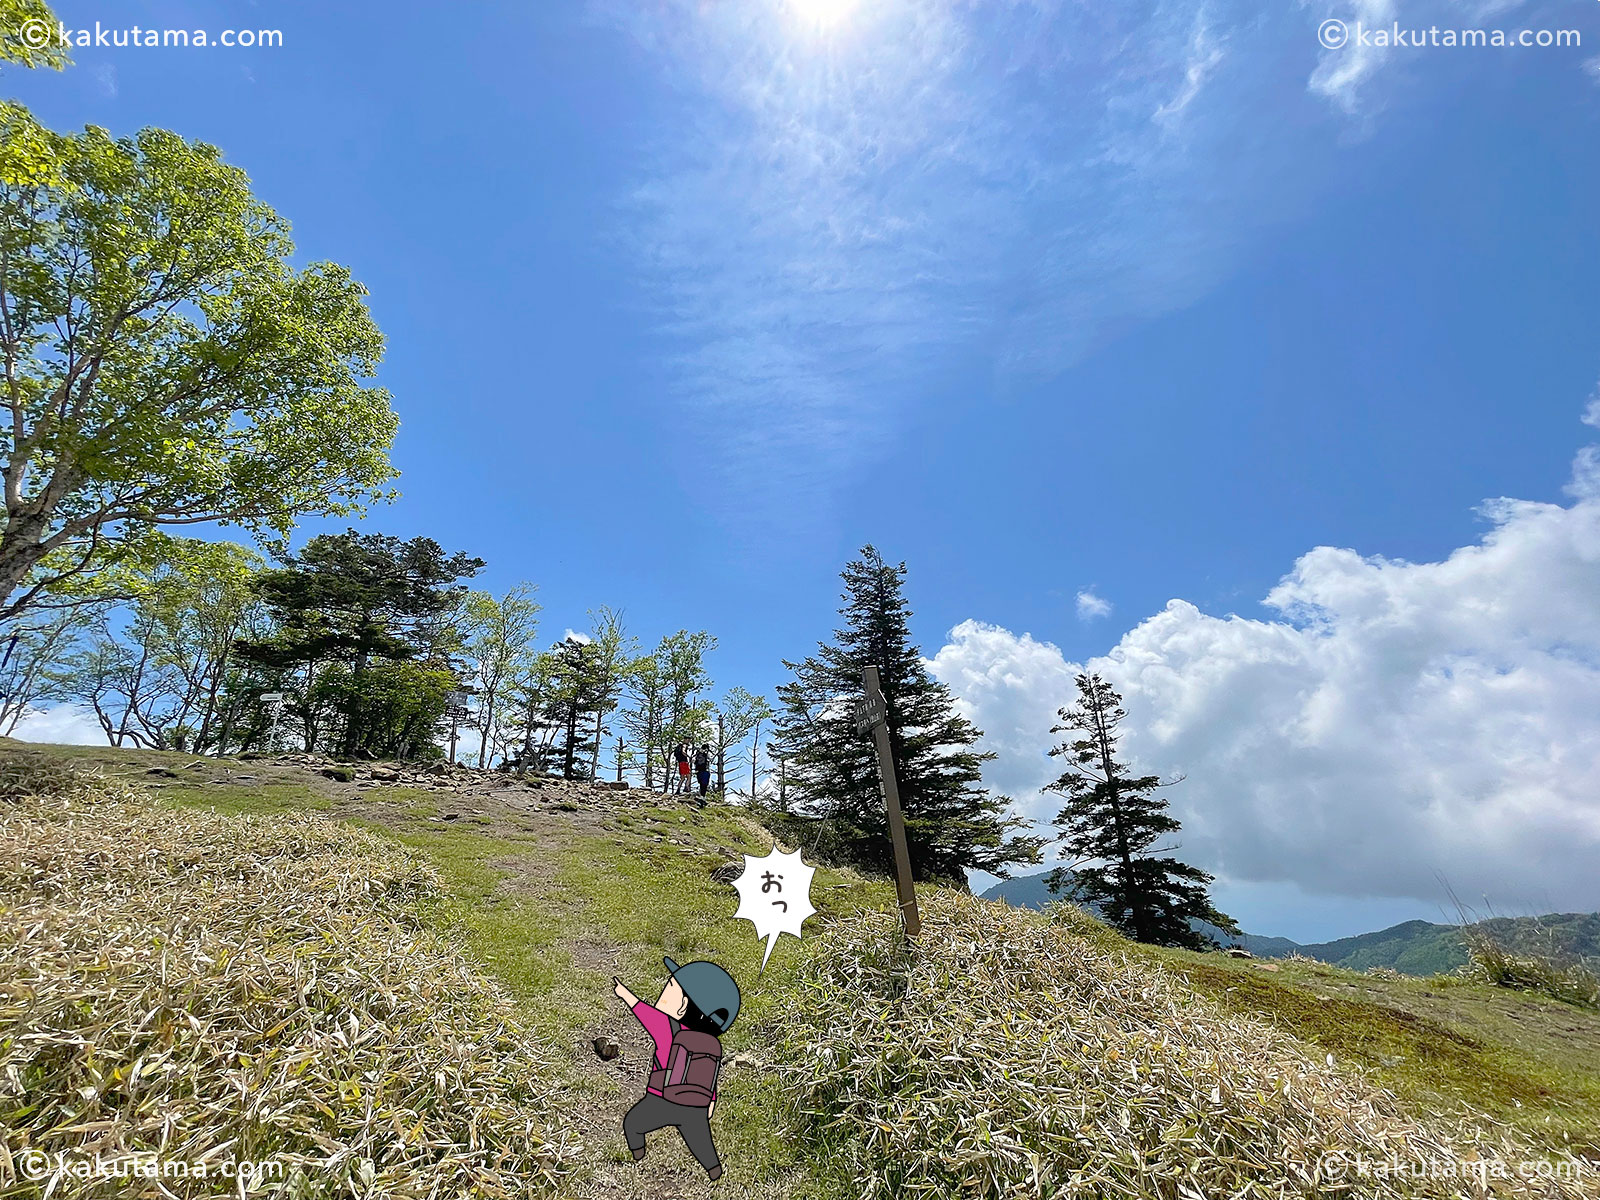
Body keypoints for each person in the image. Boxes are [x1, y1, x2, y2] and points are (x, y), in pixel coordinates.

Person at [612, 957, 742, 1182]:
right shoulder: (712, 1044)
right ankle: (713, 1168)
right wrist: (711, 1101)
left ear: (682, 1006)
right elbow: (709, 1076)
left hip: (662, 1100)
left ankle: (638, 1153)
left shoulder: (666, 1027)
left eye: (670, 987)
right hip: (696, 1107)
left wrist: (624, 993)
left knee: (632, 1124)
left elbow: (642, 1010)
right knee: (701, 1142)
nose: (664, 990)